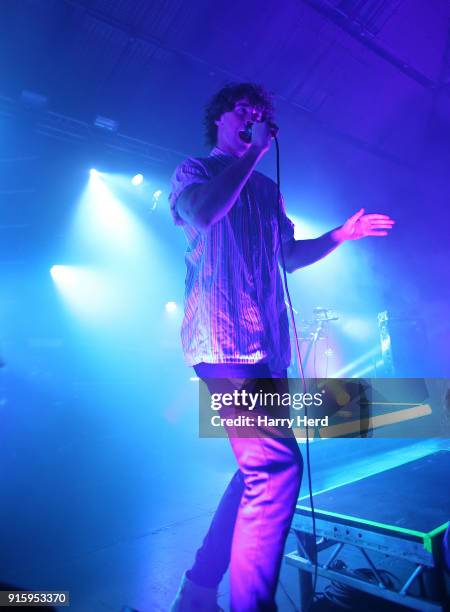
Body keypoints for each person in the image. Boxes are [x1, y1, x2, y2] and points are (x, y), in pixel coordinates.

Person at [168, 83, 394, 611]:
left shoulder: (268, 190)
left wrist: (341, 234)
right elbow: (203, 214)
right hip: (221, 343)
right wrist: (250, 154)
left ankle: (197, 590)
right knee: (276, 470)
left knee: (255, 470)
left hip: (265, 345)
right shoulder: (194, 172)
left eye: (262, 113)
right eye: (244, 110)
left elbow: (288, 256)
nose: (255, 117)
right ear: (220, 120)